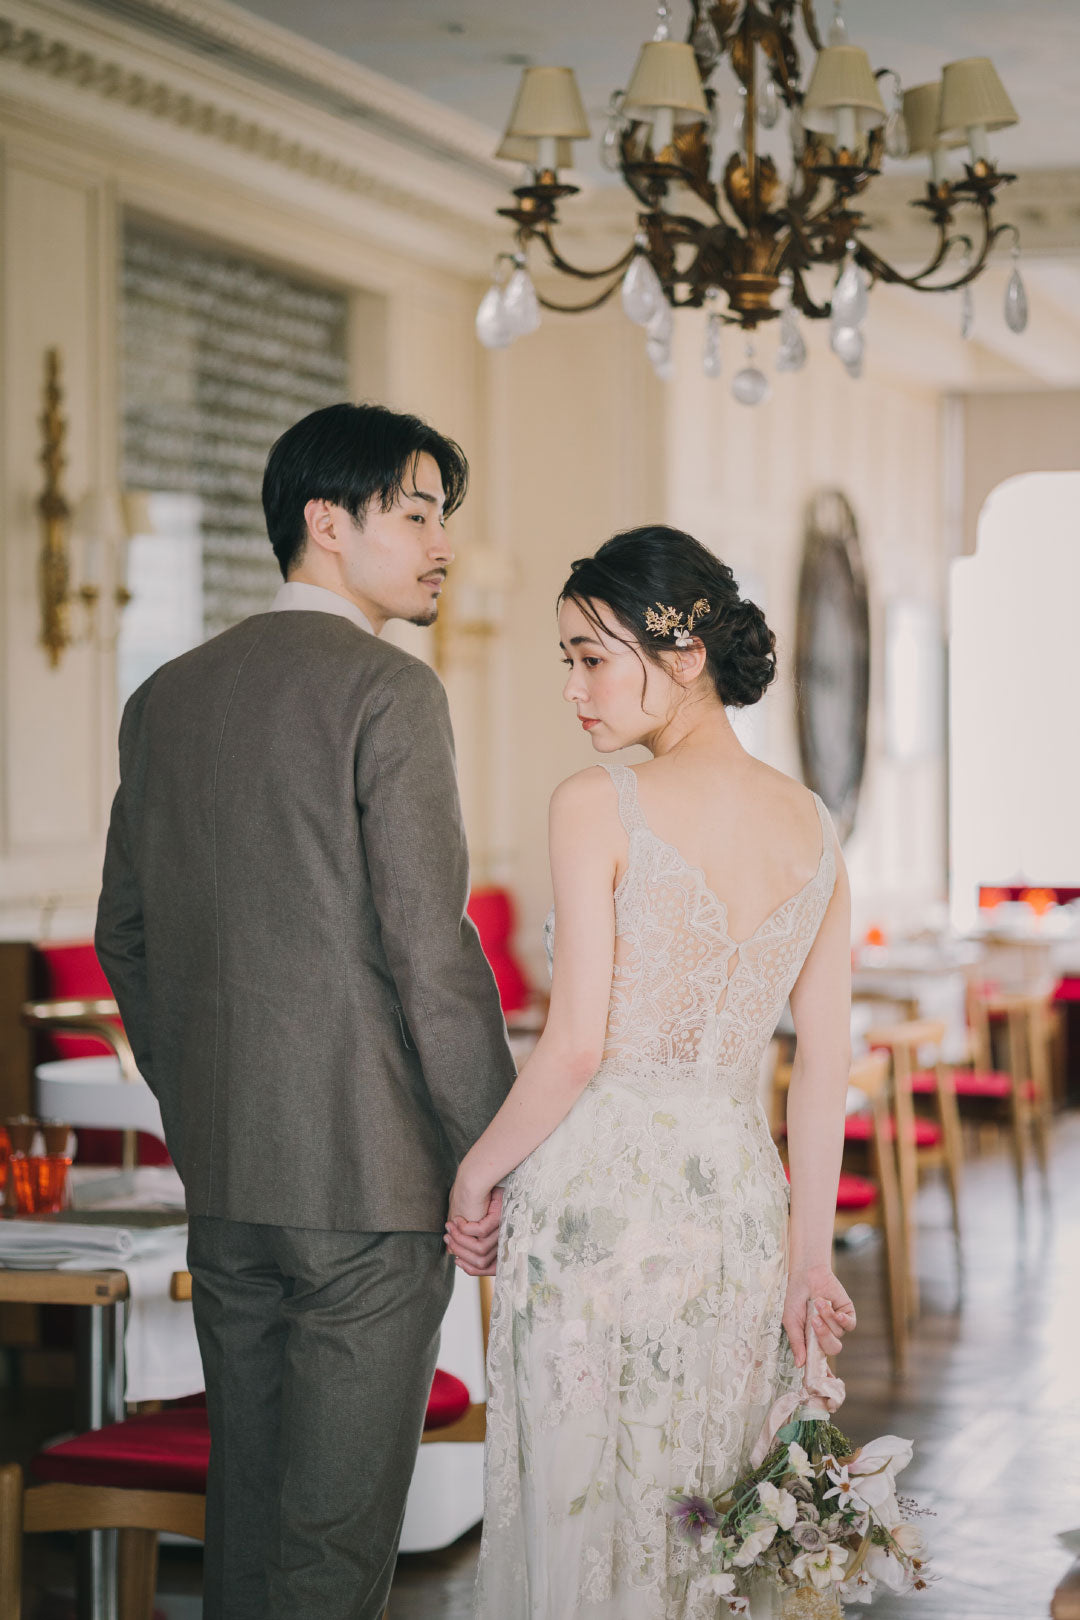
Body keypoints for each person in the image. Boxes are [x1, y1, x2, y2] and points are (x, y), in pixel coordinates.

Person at [96, 402, 515, 1619]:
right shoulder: (390, 690)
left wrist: (203, 1100)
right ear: (327, 524)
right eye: (419, 512)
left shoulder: (165, 694)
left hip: (227, 1178)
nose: (443, 543)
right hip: (373, 1188)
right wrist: (491, 1149)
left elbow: (126, 936)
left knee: (248, 1527)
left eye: (446, 515)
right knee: (330, 1555)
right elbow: (427, 951)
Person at [447, 525, 856, 1620]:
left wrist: (475, 1174)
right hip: (735, 1210)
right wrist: (807, 1261)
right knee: (706, 1506)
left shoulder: (597, 803)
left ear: (683, 657)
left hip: (599, 1206)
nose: (574, 690)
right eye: (566, 662)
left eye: (592, 657)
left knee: (588, 1507)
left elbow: (577, 1046)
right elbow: (824, 1067)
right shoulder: (815, 827)